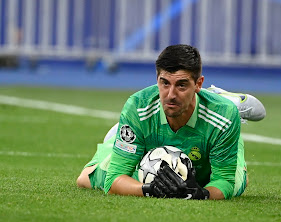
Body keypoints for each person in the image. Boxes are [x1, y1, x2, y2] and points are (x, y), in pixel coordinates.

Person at [76, 44, 266, 200]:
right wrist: (150, 189)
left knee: (238, 183)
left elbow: (223, 180)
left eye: (181, 85)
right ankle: (123, 135)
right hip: (146, 138)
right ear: (156, 79)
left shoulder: (224, 117)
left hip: (211, 136)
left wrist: (202, 194)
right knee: (84, 179)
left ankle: (215, 97)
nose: (171, 95)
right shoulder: (138, 107)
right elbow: (113, 181)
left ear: (198, 84)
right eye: (164, 83)